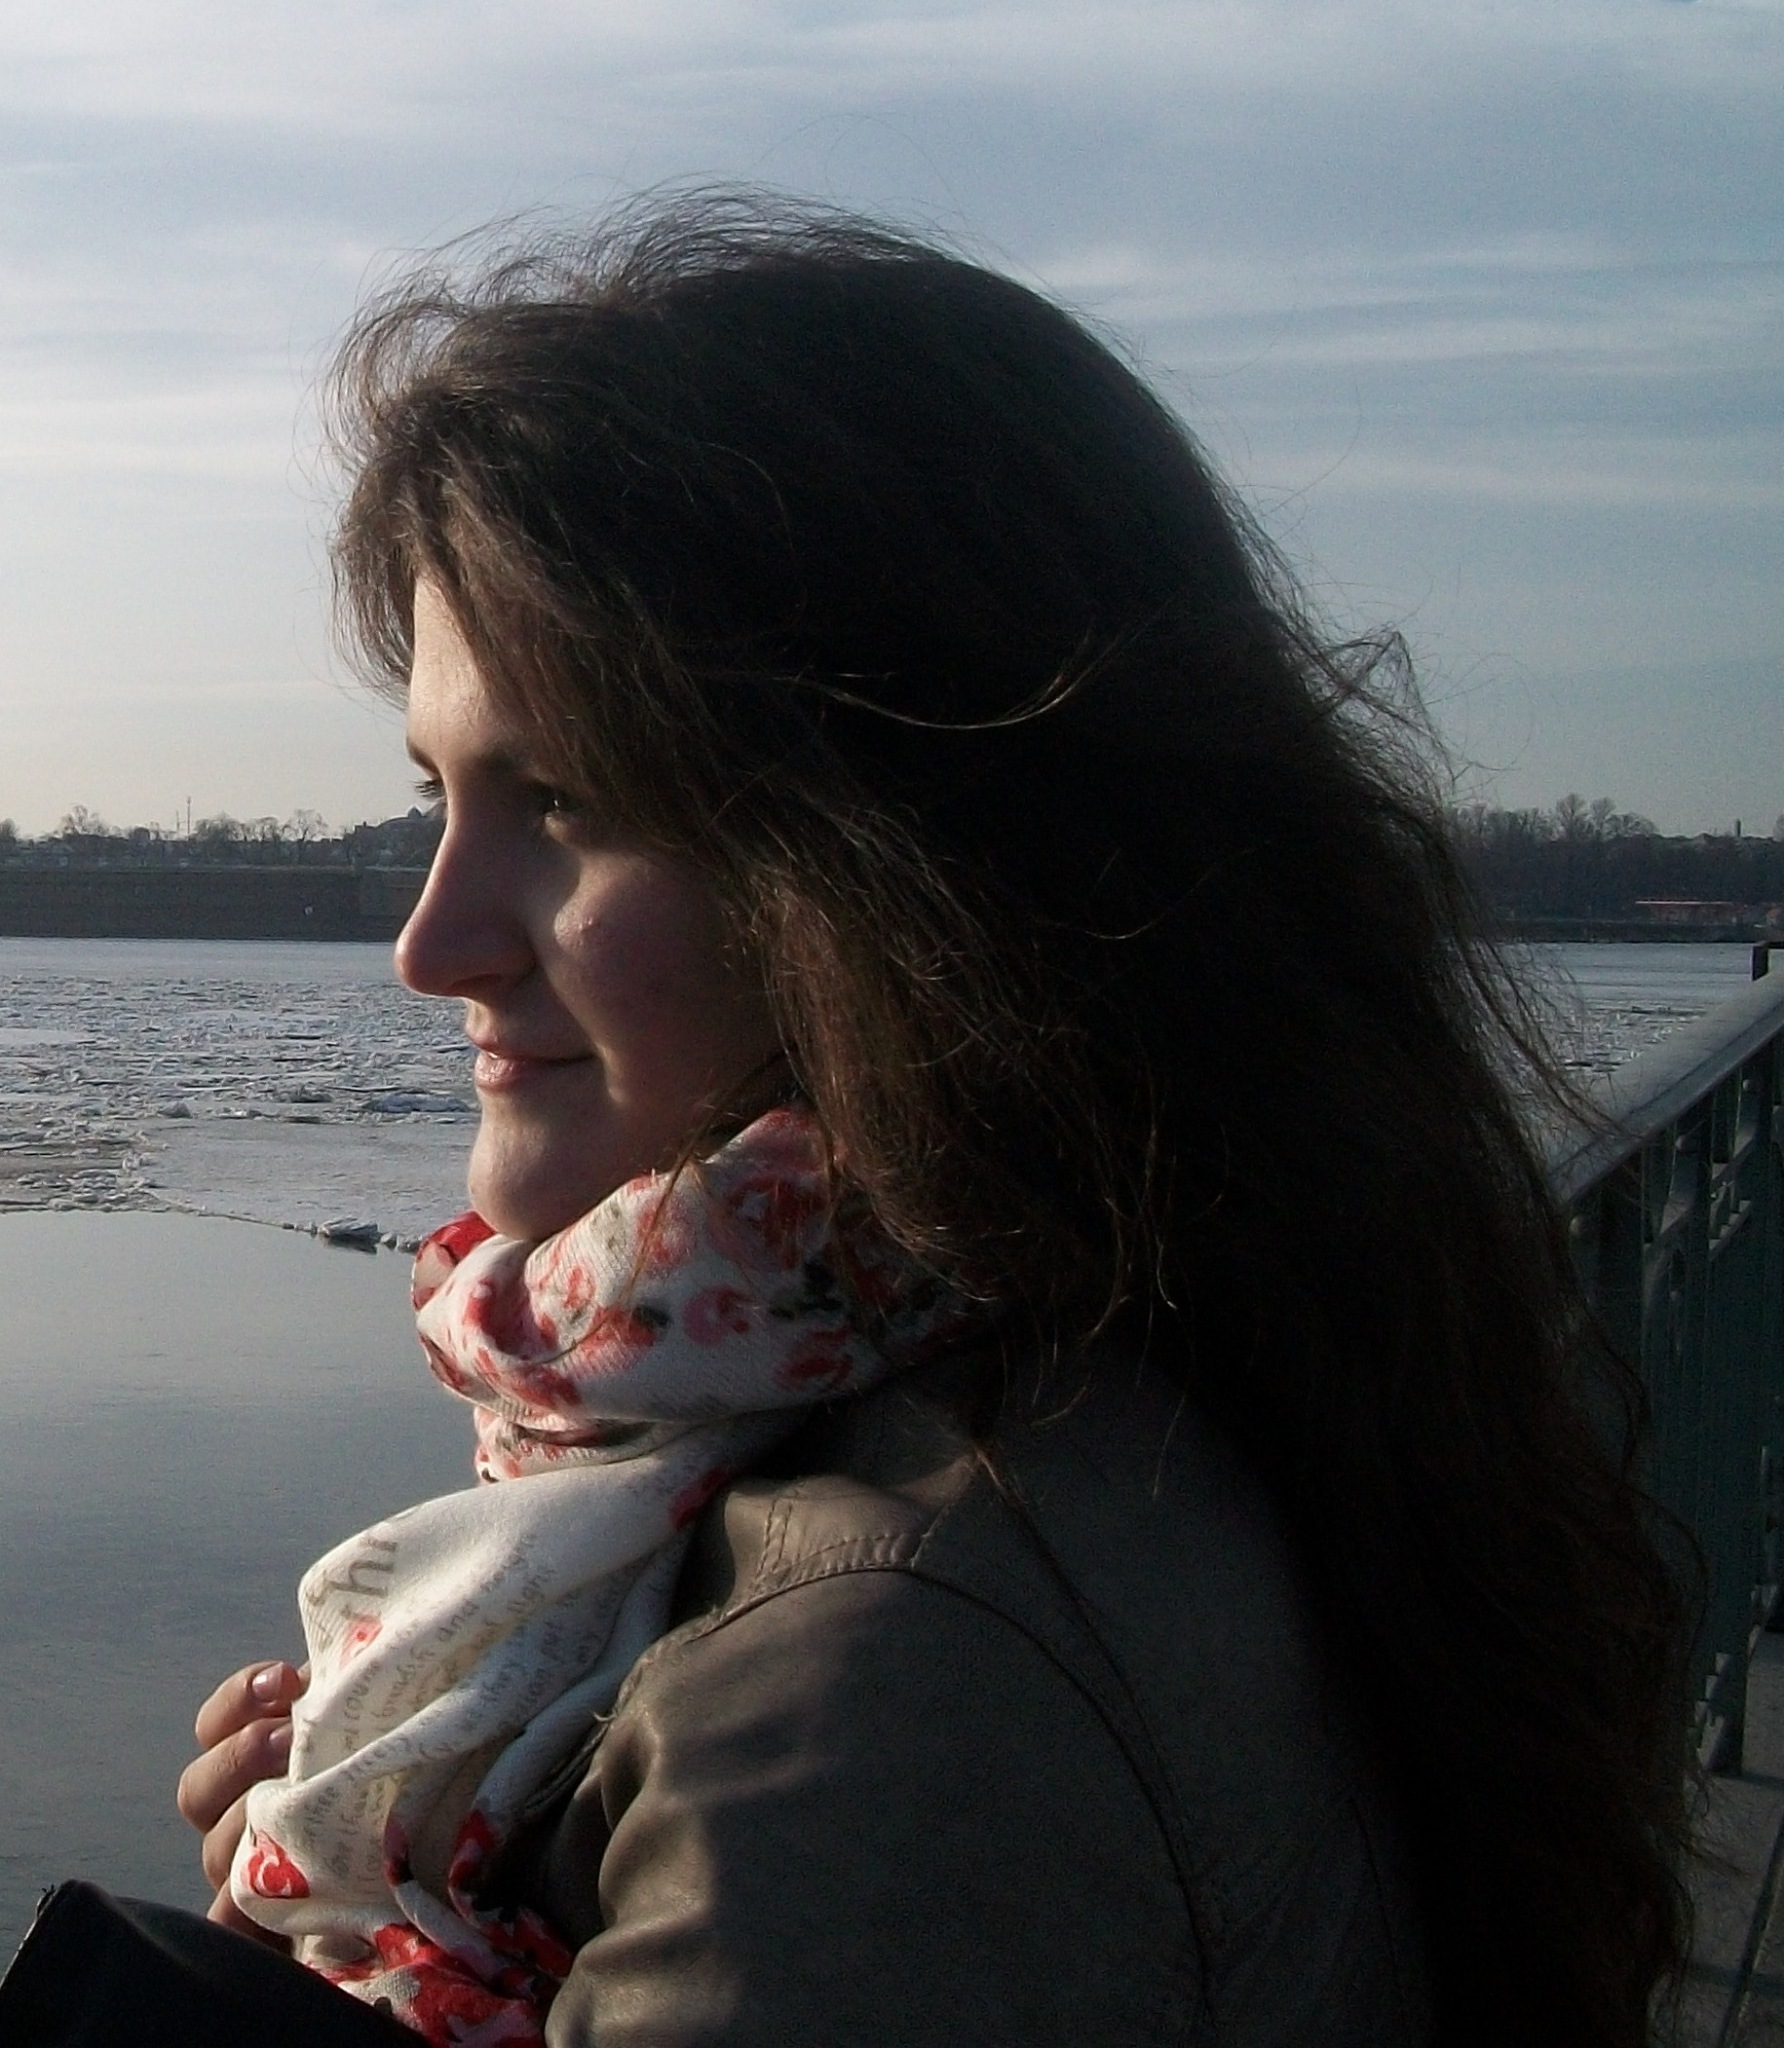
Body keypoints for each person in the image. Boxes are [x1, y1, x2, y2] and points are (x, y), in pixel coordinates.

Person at [3, 194, 1688, 2048]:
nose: (431, 943)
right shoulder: (1211, 1348)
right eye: (439, 797)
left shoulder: (884, 1684)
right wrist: (413, 1900)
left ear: (916, 870)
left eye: (563, 802)